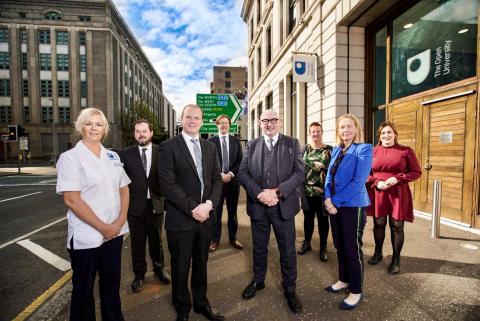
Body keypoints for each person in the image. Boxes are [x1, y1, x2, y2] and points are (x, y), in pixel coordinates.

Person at [56, 107, 130, 321]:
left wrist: (120, 220)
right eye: (89, 123)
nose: (94, 128)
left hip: (114, 234)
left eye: (98, 124)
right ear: (81, 127)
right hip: (87, 238)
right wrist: (103, 227)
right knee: (83, 293)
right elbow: (71, 199)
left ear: (105, 128)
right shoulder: (70, 158)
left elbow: (124, 189)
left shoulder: (112, 156)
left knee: (111, 290)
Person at [158, 104, 224, 321]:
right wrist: (194, 208)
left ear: (202, 121)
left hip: (205, 218)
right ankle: (183, 308)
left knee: (201, 265)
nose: (193, 120)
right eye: (188, 117)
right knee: (180, 267)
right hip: (181, 219)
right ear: (181, 119)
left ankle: (201, 303)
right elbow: (168, 184)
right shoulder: (168, 147)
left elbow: (216, 179)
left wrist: (209, 205)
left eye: (197, 117)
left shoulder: (210, 147)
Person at [238, 109, 304, 314]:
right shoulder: (252, 144)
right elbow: (242, 172)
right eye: (265, 120)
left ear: (280, 122)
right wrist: (259, 194)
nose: (269, 124)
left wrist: (277, 192)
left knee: (287, 250)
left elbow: (299, 172)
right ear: (259, 123)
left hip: (282, 207)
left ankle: (290, 288)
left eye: (273, 120)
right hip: (259, 207)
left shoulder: (292, 143)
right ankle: (259, 281)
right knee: (259, 248)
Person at [323, 114, 372, 310]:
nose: (345, 130)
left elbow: (358, 182)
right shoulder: (336, 150)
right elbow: (328, 176)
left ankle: (356, 290)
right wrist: (327, 199)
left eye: (349, 126)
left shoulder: (364, 149)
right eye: (342, 127)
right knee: (339, 245)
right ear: (338, 130)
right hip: (333, 206)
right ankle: (343, 279)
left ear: (356, 128)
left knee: (352, 249)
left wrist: (333, 201)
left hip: (353, 205)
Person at [119, 119, 171, 293]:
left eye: (144, 131)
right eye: (137, 131)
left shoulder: (161, 151)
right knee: (137, 243)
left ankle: (159, 270)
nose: (141, 134)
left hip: (156, 204)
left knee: (157, 241)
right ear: (134, 133)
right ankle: (139, 275)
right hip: (134, 206)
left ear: (151, 132)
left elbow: (169, 176)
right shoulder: (124, 154)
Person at [366, 121, 422, 274]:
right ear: (380, 136)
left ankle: (396, 259)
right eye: (383, 133)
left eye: (389, 132)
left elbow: (416, 172)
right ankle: (378, 253)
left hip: (398, 192)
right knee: (379, 224)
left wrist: (398, 178)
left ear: (395, 134)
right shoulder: (373, 151)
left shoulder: (405, 151)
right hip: (379, 191)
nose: (386, 135)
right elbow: (366, 173)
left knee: (397, 226)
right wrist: (376, 182)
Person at [207, 114, 243, 252]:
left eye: (226, 123)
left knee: (233, 212)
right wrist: (220, 175)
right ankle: (215, 240)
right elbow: (209, 162)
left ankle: (233, 238)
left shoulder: (235, 141)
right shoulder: (211, 142)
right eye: (221, 123)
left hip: (233, 183)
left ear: (229, 125)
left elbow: (240, 160)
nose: (223, 125)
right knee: (216, 213)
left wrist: (230, 174)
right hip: (217, 183)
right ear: (217, 125)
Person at [298, 122, 332, 262]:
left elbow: (333, 171)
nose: (316, 134)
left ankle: (323, 247)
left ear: (322, 132)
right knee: (308, 219)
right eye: (313, 131)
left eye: (318, 131)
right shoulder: (304, 149)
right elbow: (299, 169)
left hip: (324, 193)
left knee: (323, 221)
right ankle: (307, 243)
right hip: (307, 192)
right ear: (309, 133)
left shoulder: (330, 150)